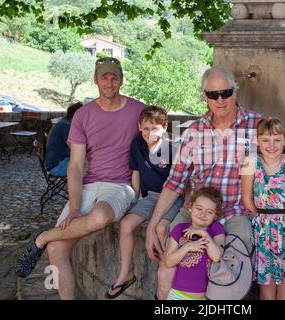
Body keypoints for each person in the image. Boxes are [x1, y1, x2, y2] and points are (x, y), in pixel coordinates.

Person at [145, 65, 285, 299]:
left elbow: (279, 163)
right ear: (205, 97)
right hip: (197, 210)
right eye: (212, 95)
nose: (220, 100)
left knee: (230, 273)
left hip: (238, 211)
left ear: (235, 92)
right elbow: (175, 181)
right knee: (168, 264)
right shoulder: (194, 132)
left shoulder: (257, 125)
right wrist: (154, 224)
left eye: (226, 92)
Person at [15, 57, 146, 300]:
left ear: (121, 79)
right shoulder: (84, 115)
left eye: (114, 77)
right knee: (56, 250)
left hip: (120, 186)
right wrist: (74, 207)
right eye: (104, 77)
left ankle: (41, 237)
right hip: (88, 184)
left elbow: (157, 141)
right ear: (96, 80)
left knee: (99, 217)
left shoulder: (138, 111)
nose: (109, 82)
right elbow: (75, 166)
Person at [104, 106, 184, 299]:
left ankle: (167, 281)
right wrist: (134, 200)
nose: (149, 133)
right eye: (146, 128)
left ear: (164, 127)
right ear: (139, 126)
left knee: (161, 230)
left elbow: (181, 182)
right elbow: (136, 174)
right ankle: (126, 273)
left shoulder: (173, 148)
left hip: (172, 197)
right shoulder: (137, 145)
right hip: (150, 197)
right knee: (125, 225)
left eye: (155, 128)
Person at [241, 117, 285, 300]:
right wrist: (262, 218)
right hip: (264, 229)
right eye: (265, 140)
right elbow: (247, 199)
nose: (271, 145)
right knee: (267, 289)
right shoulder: (250, 163)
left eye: (277, 140)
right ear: (257, 141)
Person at [164, 187, 225, 300]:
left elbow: (216, 256)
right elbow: (168, 262)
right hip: (177, 295)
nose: (203, 214)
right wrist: (187, 247)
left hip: (203, 297)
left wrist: (204, 234)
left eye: (209, 212)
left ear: (215, 216)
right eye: (199, 209)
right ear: (190, 207)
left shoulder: (215, 230)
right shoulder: (179, 229)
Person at [45, 101, 83, 177]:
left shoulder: (65, 122)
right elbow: (76, 149)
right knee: (93, 167)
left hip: (56, 163)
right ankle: (80, 188)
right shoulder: (66, 126)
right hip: (57, 167)